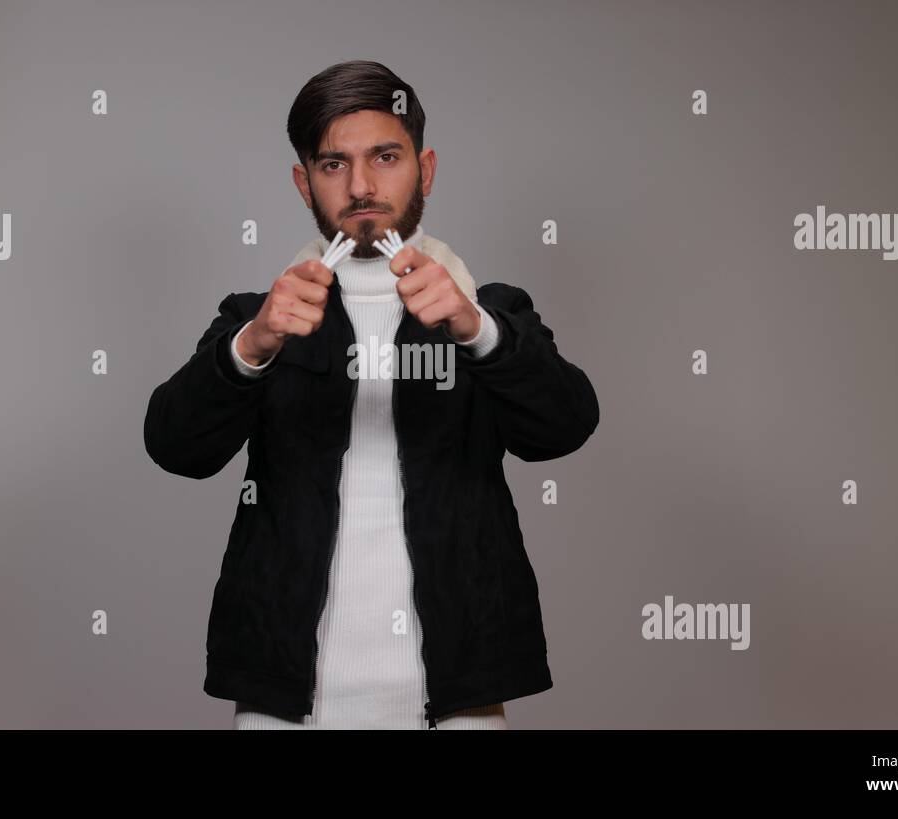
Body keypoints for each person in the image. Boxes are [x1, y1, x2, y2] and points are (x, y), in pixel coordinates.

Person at [144, 60, 599, 729]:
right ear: (304, 183)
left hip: (457, 698)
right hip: (285, 702)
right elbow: (175, 445)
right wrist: (254, 343)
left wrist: (477, 331)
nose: (360, 186)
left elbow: (565, 425)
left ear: (426, 168)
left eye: (385, 156)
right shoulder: (258, 315)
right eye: (333, 164)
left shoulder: (489, 309)